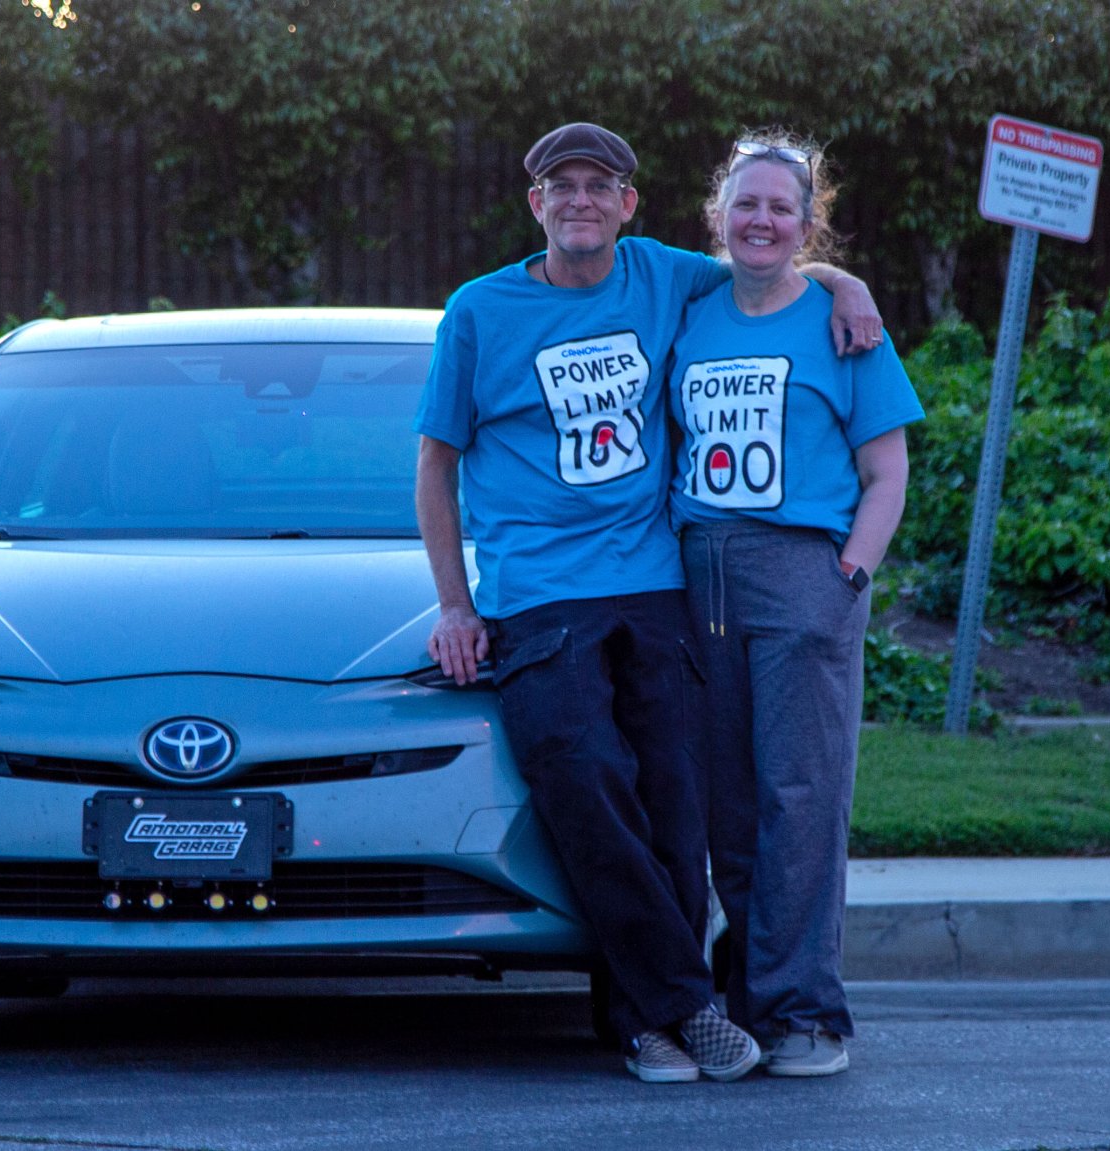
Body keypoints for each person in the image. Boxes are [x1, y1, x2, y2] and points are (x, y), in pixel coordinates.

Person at [413, 122, 882, 1084]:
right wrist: (456, 605)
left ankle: (645, 1017)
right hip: (538, 596)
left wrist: (851, 284)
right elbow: (435, 465)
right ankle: (679, 1005)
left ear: (629, 206)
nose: (580, 199)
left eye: (601, 185)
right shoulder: (478, 311)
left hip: (657, 582)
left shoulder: (664, 276)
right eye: (561, 185)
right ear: (534, 204)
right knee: (584, 777)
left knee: (679, 797)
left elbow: (770, 267)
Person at [668, 133, 923, 1077]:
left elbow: (887, 471)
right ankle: (747, 996)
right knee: (725, 807)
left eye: (782, 207)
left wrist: (848, 575)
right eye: (746, 205)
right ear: (718, 218)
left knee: (802, 799)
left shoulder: (841, 324)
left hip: (803, 573)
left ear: (808, 222)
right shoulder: (691, 312)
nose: (762, 220)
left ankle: (807, 1013)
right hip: (699, 576)